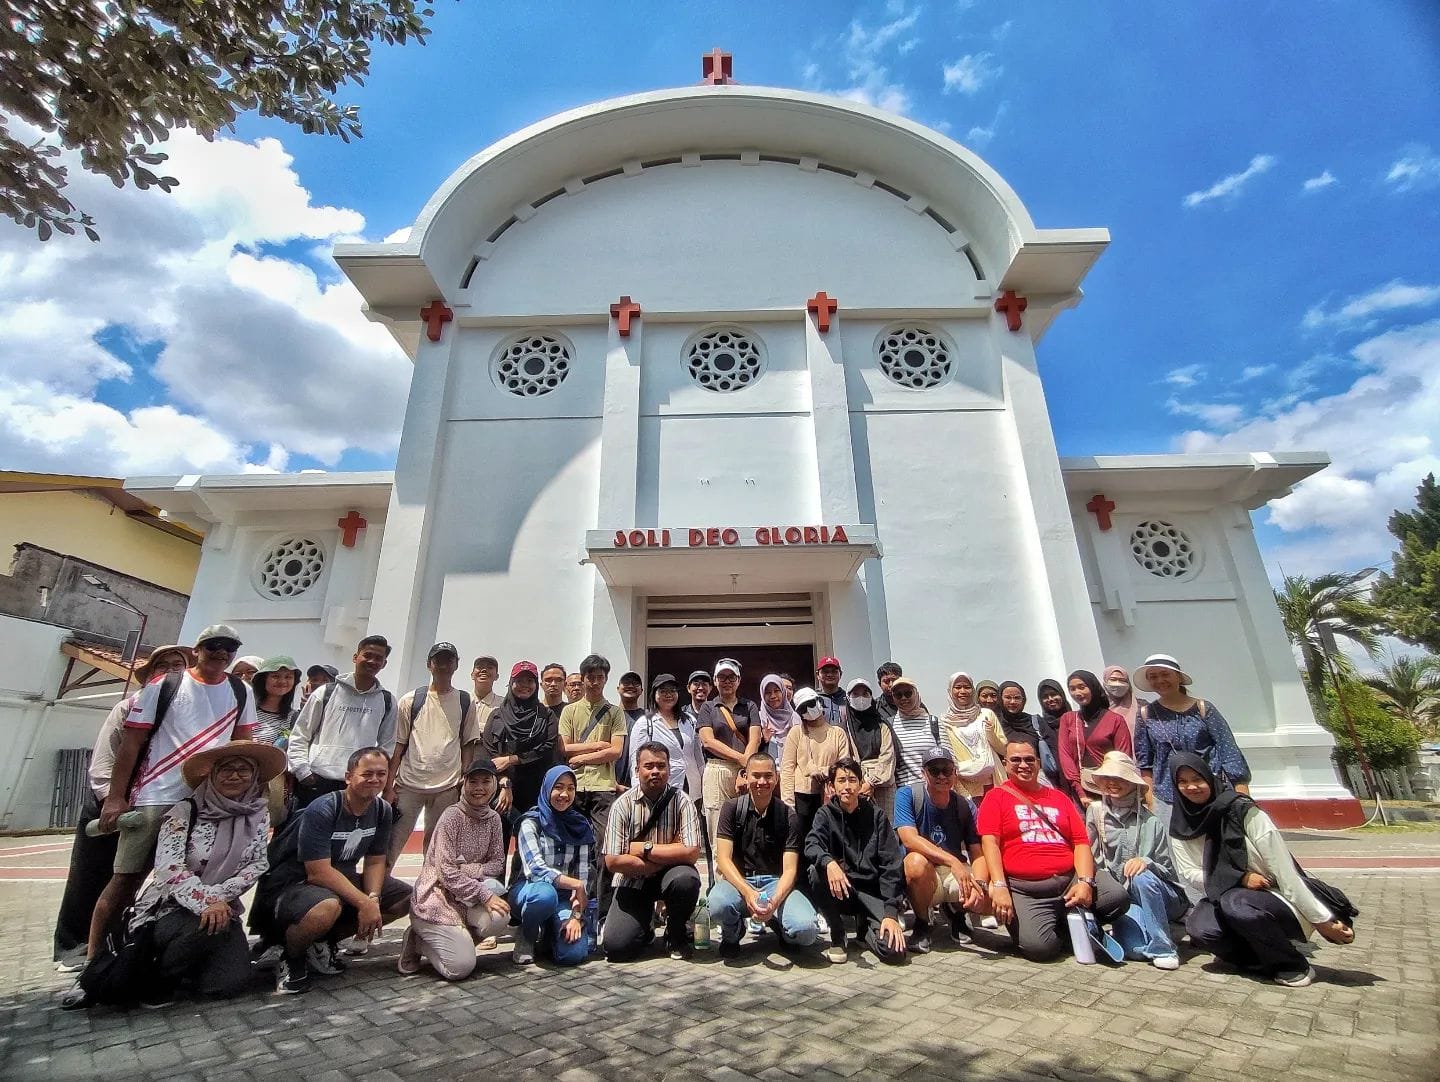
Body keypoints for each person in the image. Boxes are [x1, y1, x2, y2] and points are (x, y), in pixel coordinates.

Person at [84, 627, 258, 974]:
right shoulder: (165, 686)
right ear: (197, 650)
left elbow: (243, 745)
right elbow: (131, 744)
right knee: (127, 878)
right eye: (213, 646)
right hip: (156, 796)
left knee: (199, 876)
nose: (221, 653)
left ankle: (175, 955)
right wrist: (115, 798)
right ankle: (93, 962)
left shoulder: (240, 691)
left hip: (207, 801)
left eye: (229, 648)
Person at [53, 645, 193, 972]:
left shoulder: (186, 716)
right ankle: (75, 945)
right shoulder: (128, 707)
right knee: (92, 874)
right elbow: (104, 760)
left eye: (179, 666)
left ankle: (116, 939)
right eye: (165, 666)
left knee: (132, 877)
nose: (173, 671)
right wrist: (111, 799)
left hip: (153, 806)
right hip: (114, 805)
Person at [1169, 753, 1352, 987]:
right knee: (1200, 928)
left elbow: (1284, 870)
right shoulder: (1181, 824)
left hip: (1275, 895)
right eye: (1182, 782)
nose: (1191, 787)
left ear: (1209, 777)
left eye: (1197, 779)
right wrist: (1238, 877)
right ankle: (1261, 959)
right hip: (1226, 894)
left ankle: (1292, 964)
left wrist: (1321, 919)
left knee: (1236, 904)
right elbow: (1190, 873)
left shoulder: (1243, 812)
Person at [124, 740, 284, 1005]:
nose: (235, 775)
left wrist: (218, 898)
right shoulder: (184, 812)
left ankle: (194, 968)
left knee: (228, 983)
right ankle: (160, 978)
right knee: (205, 927)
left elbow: (256, 864)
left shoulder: (257, 815)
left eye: (243, 769)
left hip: (222, 908)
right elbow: (170, 869)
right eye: (226, 769)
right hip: (172, 908)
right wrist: (206, 901)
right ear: (212, 773)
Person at [252, 747, 412, 994]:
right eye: (367, 773)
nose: (375, 780)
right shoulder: (324, 808)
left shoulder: (382, 810)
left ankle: (321, 942)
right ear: (349, 776)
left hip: (338, 883)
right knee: (326, 908)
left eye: (382, 774)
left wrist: (372, 898)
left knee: (407, 899)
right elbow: (318, 872)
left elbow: (375, 861)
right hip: (296, 885)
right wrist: (363, 903)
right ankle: (291, 955)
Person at [977, 739, 1130, 961]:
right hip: (1027, 889)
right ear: (1005, 764)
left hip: (1069, 879)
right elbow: (989, 844)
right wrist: (999, 885)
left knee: (1117, 897)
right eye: (1016, 760)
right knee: (1041, 949)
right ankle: (1067, 927)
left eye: (1029, 759)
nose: (1023, 765)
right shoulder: (995, 797)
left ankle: (1072, 918)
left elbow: (1080, 842)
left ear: (1038, 763)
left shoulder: (1059, 797)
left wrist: (1085, 882)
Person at [399, 757, 509, 980]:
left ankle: (454, 941)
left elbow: (498, 863)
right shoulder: (451, 817)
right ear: (464, 784)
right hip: (437, 898)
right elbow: (446, 873)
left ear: (494, 785)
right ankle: (418, 941)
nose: (479, 788)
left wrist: (466, 869)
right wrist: (483, 891)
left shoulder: (494, 819)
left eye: (486, 781)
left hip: (467, 898)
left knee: (501, 916)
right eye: (473, 782)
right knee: (460, 968)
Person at [709, 752, 819, 960]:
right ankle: (732, 935)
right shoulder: (731, 809)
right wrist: (748, 893)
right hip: (740, 883)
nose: (762, 782)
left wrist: (774, 901)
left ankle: (779, 924)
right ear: (745, 776)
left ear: (776, 777)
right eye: (755, 775)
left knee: (806, 932)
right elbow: (723, 859)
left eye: (768, 776)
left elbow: (790, 870)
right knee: (717, 904)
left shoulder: (789, 816)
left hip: (775, 883)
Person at [385, 642, 485, 867]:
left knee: (437, 849)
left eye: (449, 660)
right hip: (409, 785)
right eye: (438, 660)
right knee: (392, 844)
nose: (443, 665)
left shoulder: (464, 701)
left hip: (447, 787)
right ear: (429, 664)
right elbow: (398, 746)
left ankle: (429, 897)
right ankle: (377, 894)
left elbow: (467, 743)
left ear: (456, 665)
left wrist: (463, 778)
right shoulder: (411, 700)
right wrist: (389, 786)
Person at [601, 742, 704, 960]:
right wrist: (670, 853)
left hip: (671, 878)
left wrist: (643, 849)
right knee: (616, 947)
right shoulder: (622, 805)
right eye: (649, 766)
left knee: (686, 880)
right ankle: (645, 924)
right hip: (632, 880)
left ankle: (675, 933)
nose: (655, 771)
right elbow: (613, 861)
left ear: (669, 769)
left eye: (661, 765)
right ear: (637, 770)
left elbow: (692, 852)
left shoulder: (682, 802)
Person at [1085, 751, 1187, 970]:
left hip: (1161, 893)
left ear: (1133, 782)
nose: (1113, 783)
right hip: (1126, 899)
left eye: (1120, 778)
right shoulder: (1095, 814)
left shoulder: (1152, 821)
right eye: (1108, 778)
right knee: (1134, 952)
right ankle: (1153, 928)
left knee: (1142, 878)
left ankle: (1164, 947)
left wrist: (1147, 862)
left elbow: (1169, 871)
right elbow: (1093, 860)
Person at [804, 757, 907, 965]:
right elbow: (811, 844)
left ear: (861, 784)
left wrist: (890, 913)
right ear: (832, 786)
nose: (847, 786)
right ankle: (838, 933)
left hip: (871, 892)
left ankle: (864, 932)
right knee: (815, 872)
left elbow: (891, 864)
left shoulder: (877, 816)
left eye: (852, 780)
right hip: (842, 890)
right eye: (841, 780)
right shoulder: (825, 814)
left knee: (894, 952)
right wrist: (829, 862)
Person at [894, 746, 989, 953]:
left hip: (954, 874)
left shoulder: (965, 805)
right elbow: (910, 840)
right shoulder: (907, 795)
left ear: (955, 772)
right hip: (925, 873)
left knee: (989, 897)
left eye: (946, 769)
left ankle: (957, 913)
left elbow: (977, 852)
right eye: (934, 770)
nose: (941, 776)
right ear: (923, 773)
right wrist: (954, 861)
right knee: (915, 862)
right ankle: (922, 922)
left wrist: (980, 887)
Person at [286, 635, 398, 809]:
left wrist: (375, 780)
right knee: (308, 834)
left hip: (359, 785)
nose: (372, 661)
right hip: (316, 781)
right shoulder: (326, 692)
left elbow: (387, 746)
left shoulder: (387, 700)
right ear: (355, 657)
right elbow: (301, 734)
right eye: (367, 655)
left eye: (378, 658)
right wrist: (303, 772)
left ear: (384, 664)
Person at [1133, 653, 1251, 809]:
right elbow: (1145, 762)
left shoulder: (1203, 709)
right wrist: (1150, 799)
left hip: (1211, 791)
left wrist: (1242, 794)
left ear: (1179, 677)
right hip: (1169, 797)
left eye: (1165, 674)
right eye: (1153, 676)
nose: (1160, 680)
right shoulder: (1146, 714)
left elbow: (1228, 750)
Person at [558, 654, 627, 907]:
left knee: (603, 847)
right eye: (590, 677)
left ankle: (601, 907)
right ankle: (571, 903)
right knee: (571, 847)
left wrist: (583, 756)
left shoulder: (615, 713)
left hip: (603, 788)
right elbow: (565, 748)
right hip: (573, 787)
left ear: (606, 679)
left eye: (600, 677)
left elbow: (616, 751)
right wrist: (598, 745)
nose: (595, 682)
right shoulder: (569, 711)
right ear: (582, 678)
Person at [513, 765, 595, 966]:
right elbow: (536, 869)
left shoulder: (580, 826)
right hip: (530, 891)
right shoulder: (531, 823)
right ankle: (527, 934)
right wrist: (575, 884)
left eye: (570, 788)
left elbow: (582, 879)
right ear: (547, 789)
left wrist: (576, 916)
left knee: (573, 954)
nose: (564, 794)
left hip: (564, 899)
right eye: (558, 787)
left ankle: (551, 933)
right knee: (545, 895)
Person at [482, 662, 561, 821]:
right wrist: (504, 782)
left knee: (532, 838)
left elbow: (547, 748)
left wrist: (513, 759)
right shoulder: (497, 715)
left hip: (537, 788)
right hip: (502, 787)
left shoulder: (546, 715)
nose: (525, 685)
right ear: (511, 683)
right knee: (499, 837)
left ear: (536, 685)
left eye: (530, 681)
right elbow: (489, 752)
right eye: (519, 681)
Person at [697, 658, 760, 842]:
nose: (727, 681)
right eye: (722, 677)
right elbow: (708, 741)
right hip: (718, 770)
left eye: (731, 677)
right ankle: (719, 871)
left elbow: (754, 739)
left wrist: (744, 768)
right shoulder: (708, 707)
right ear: (715, 681)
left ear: (739, 680)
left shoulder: (750, 706)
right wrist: (741, 759)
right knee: (718, 832)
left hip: (746, 770)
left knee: (747, 830)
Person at [781, 687, 852, 837]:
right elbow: (787, 769)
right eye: (803, 709)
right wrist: (788, 804)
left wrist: (825, 771)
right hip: (802, 796)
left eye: (811, 704)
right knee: (803, 840)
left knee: (829, 838)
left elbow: (844, 765)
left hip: (830, 794)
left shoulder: (837, 733)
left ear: (819, 702)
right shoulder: (796, 732)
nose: (808, 710)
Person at [1058, 669, 1133, 809]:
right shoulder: (1068, 719)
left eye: (1082, 687)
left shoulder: (1115, 720)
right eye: (1072, 689)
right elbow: (1065, 755)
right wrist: (1080, 791)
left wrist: (1112, 788)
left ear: (1092, 687)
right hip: (1082, 791)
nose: (1077, 693)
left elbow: (1123, 757)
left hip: (1113, 789)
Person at [629, 674, 699, 800]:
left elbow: (698, 757)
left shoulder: (690, 720)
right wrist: (638, 794)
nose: (668, 695)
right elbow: (635, 760)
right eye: (663, 691)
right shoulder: (644, 723)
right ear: (654, 694)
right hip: (658, 788)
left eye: (672, 691)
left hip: (691, 786)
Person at [942, 671, 1007, 802]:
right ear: (950, 691)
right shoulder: (944, 722)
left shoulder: (986, 714)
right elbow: (950, 760)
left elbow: (1004, 750)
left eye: (967, 687)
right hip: (966, 787)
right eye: (958, 687)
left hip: (993, 783)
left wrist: (990, 734)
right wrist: (962, 793)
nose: (963, 691)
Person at [840, 678, 897, 817]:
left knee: (886, 828)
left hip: (884, 785)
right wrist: (860, 782)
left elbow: (887, 756)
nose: (861, 698)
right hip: (856, 786)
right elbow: (844, 758)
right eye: (856, 694)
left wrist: (871, 782)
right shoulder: (844, 729)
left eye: (865, 694)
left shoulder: (882, 726)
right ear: (848, 698)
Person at [888, 676, 939, 789]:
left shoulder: (933, 722)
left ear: (916, 694)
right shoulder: (890, 725)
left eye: (908, 693)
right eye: (898, 695)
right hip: (905, 792)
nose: (903, 698)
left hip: (934, 791)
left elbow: (949, 759)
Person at [250, 656, 301, 747]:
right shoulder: (246, 711)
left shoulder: (295, 718)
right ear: (263, 679)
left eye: (288, 677)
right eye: (275, 676)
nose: (282, 681)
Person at [1032, 679, 1069, 790]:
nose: (1050, 699)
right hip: (1055, 783)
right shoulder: (1040, 725)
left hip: (1080, 780)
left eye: (1054, 694)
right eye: (1045, 697)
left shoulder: (1075, 720)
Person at [615, 669, 647, 789]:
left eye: (635, 683)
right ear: (618, 688)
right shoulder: (609, 715)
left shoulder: (649, 718)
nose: (631, 686)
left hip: (640, 784)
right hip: (611, 785)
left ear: (641, 690)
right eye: (626, 683)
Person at [758, 673, 799, 765]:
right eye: (768, 692)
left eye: (777, 691)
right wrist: (762, 740)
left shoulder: (795, 718)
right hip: (765, 773)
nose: (773, 696)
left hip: (790, 772)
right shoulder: (759, 718)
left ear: (783, 693)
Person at [1102, 665, 1146, 741]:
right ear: (1105, 681)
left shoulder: (1142, 706)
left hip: (1140, 751)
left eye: (1122, 680)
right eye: (1113, 679)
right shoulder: (1098, 710)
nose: (1118, 683)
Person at [815, 656, 845, 724]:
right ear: (817, 675)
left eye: (834, 671)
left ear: (841, 674)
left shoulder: (848, 699)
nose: (829, 675)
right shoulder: (813, 699)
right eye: (825, 672)